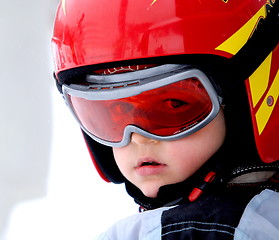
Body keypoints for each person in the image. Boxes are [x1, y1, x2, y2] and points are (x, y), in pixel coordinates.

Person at [51, 0, 279, 239]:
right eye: (113, 114)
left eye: (173, 105)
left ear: (239, 104)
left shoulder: (209, 231)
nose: (138, 138)